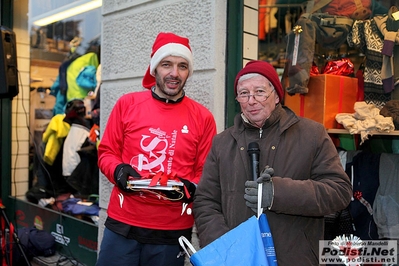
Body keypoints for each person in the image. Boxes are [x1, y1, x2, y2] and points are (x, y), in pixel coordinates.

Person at [193, 60, 353, 266]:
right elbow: (205, 201)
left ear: (276, 96)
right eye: (244, 93)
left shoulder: (312, 135)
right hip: (237, 260)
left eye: (259, 91)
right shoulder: (222, 142)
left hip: (295, 259)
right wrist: (227, 246)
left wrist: (277, 193)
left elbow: (339, 192)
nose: (251, 100)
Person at [96, 32, 217, 266]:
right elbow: (106, 152)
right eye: (166, 64)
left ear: (188, 72)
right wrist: (118, 170)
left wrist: (191, 187)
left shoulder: (203, 118)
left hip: (171, 230)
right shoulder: (127, 104)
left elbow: (207, 172)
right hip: (123, 223)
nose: (174, 73)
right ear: (154, 69)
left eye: (182, 66)